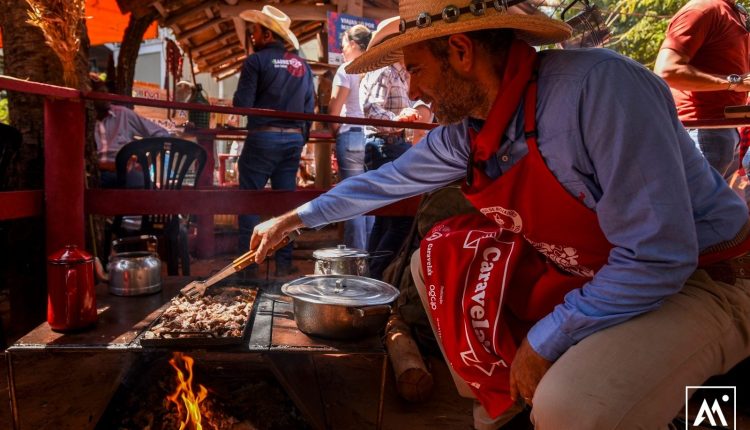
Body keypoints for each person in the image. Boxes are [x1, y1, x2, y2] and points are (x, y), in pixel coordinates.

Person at [249, 1, 750, 429]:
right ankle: (507, 409)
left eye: (417, 71)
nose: (415, 93)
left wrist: (546, 339)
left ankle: (704, 407)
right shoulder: (468, 131)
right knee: (436, 259)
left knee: (570, 408)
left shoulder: (599, 90)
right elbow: (381, 183)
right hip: (592, 272)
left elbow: (660, 257)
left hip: (701, 278)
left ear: (462, 52)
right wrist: (293, 219)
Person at [233, 5, 314, 276]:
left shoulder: (255, 62)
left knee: (249, 201)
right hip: (292, 141)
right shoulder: (303, 66)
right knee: (285, 205)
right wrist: (301, 140)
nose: (252, 36)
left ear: (267, 35)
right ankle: (283, 264)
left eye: (255, 31)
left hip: (262, 138)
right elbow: (309, 109)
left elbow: (241, 105)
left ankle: (247, 269)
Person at [654, 0, 750, 177]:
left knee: (715, 205)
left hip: (725, 131)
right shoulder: (703, 9)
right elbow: (667, 70)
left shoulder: (731, 11)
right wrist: (734, 82)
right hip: (701, 131)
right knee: (696, 204)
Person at [359, 17, 422, 279]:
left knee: (387, 217)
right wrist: (399, 121)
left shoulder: (401, 71)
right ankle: (376, 278)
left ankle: (371, 278)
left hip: (393, 145)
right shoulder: (384, 70)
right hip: (385, 145)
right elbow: (371, 109)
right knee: (399, 219)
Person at [329, 24, 374, 250]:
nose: (342, 49)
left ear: (354, 44)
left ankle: (355, 259)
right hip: (372, 137)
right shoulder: (376, 68)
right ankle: (370, 256)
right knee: (370, 199)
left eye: (344, 44)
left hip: (351, 135)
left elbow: (334, 109)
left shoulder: (346, 69)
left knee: (352, 199)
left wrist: (336, 130)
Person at [91, 76, 169, 188]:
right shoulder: (83, 119)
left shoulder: (123, 114)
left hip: (126, 172)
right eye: (101, 92)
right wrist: (107, 166)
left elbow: (162, 134)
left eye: (107, 92)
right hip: (96, 173)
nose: (106, 96)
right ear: (90, 96)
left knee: (149, 191)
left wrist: (145, 162)